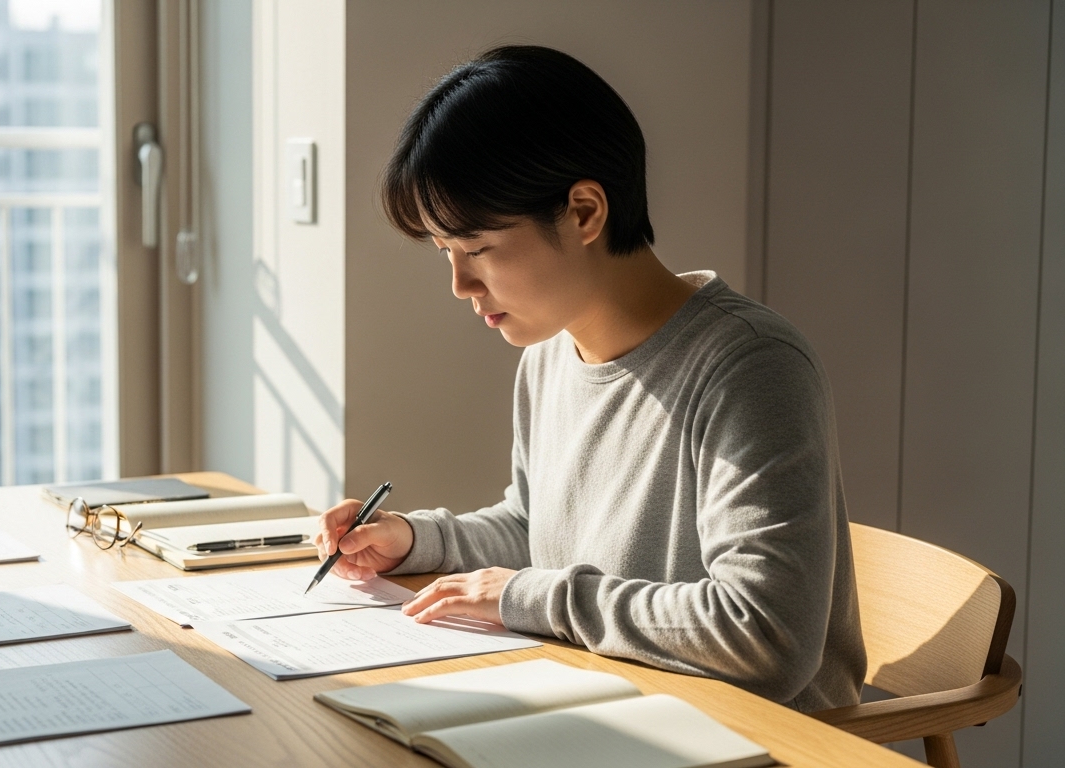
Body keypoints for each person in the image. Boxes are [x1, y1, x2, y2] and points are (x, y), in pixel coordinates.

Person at [312, 45, 865, 712]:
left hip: (749, 739)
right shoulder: (550, 354)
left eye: (477, 249)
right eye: (445, 254)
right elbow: (537, 528)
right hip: (606, 706)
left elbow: (763, 637)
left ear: (583, 212)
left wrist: (528, 597)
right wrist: (413, 540)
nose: (460, 285)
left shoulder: (752, 368)